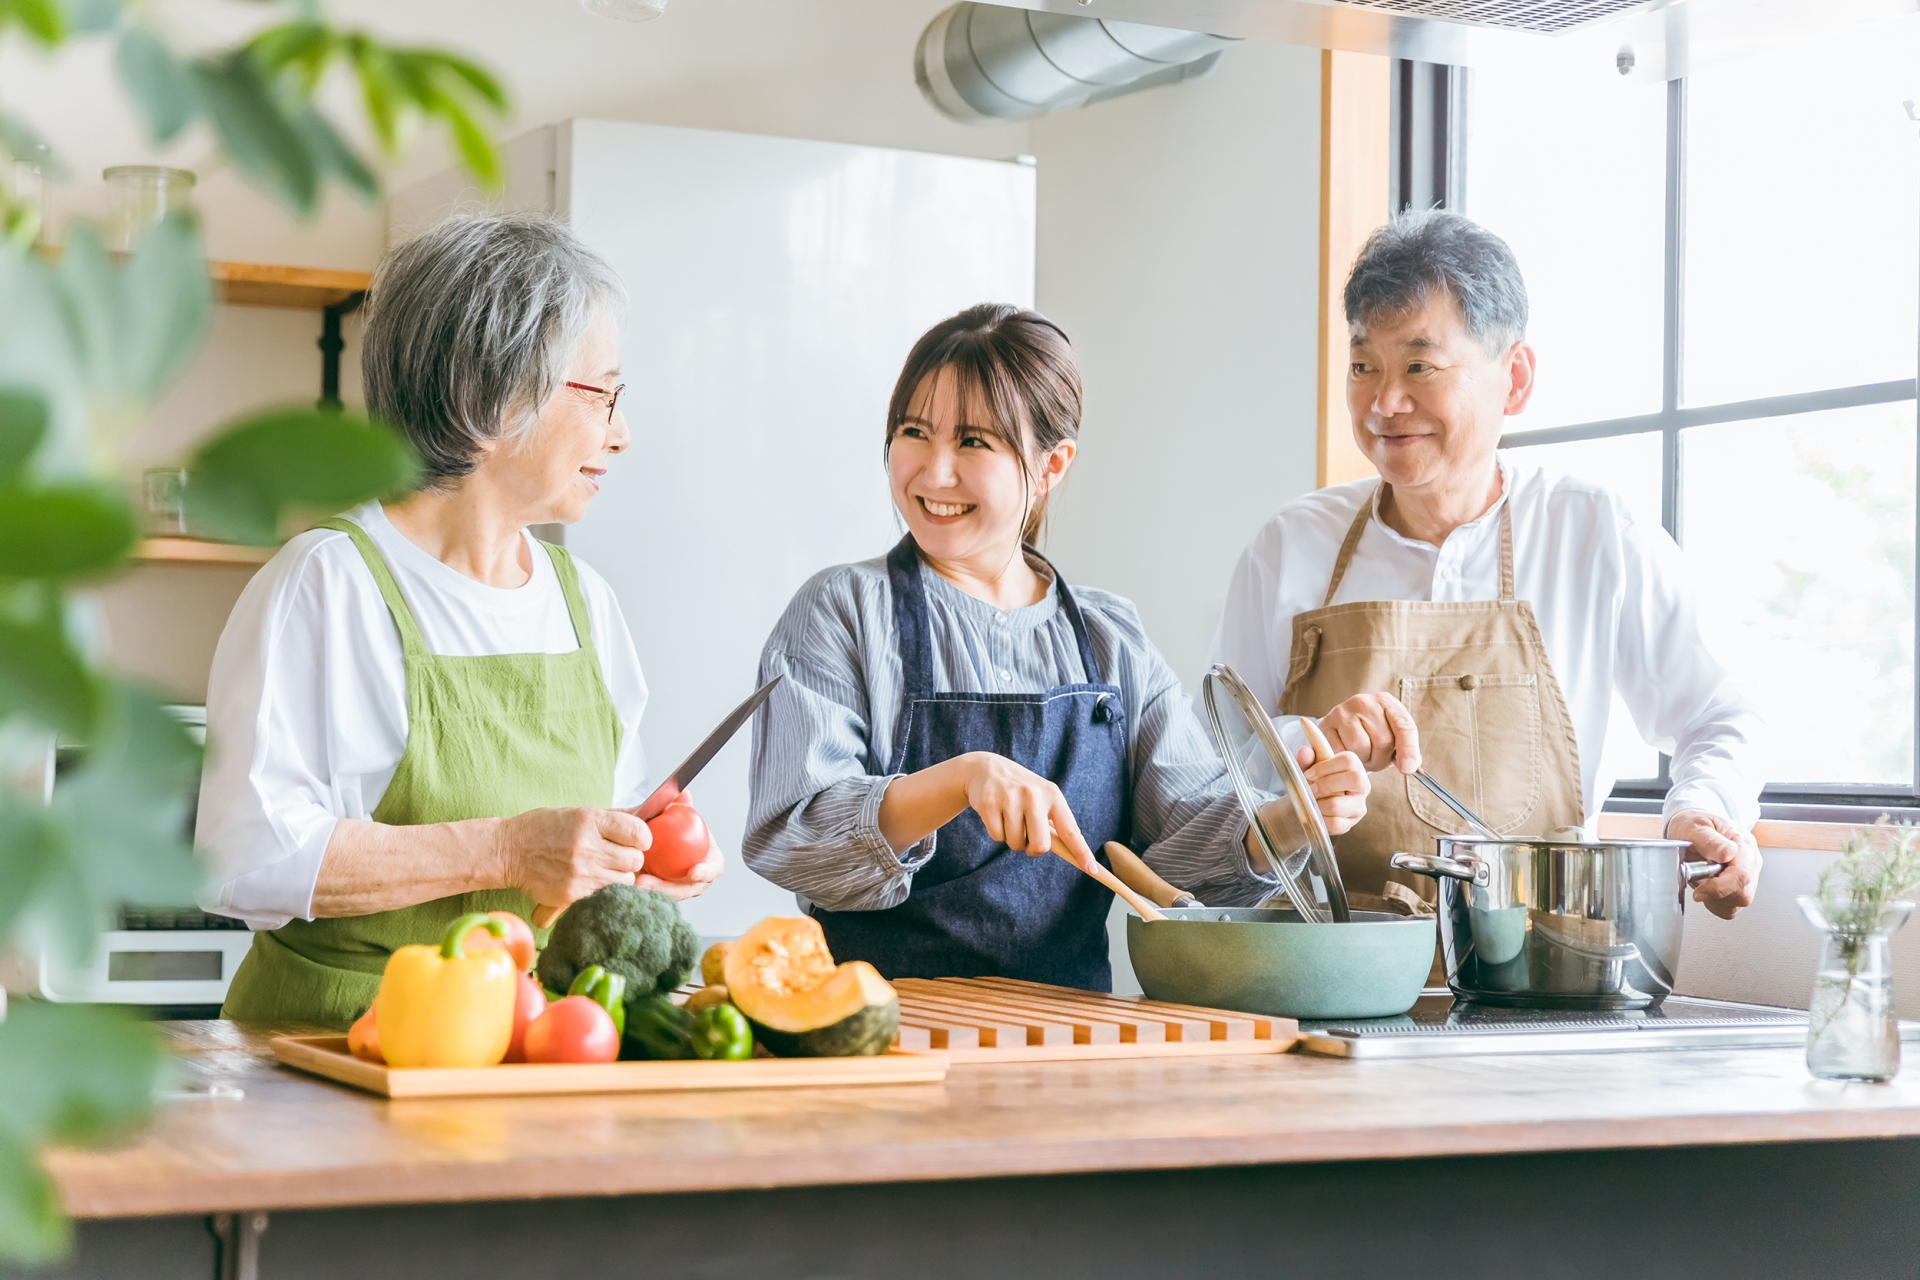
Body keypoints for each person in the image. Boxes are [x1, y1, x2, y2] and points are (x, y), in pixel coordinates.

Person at [743, 304, 1370, 991]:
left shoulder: (1108, 638)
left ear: (1051, 465)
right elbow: (794, 836)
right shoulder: (841, 612)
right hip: (878, 1035)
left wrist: (1282, 822)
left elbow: (1177, 860)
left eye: (975, 442)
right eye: (914, 432)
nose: (934, 471)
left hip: (1068, 1039)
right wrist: (960, 779)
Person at [201, 213, 721, 1027]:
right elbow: (245, 857)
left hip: (523, 1051)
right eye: (601, 396)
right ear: (486, 400)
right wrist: (508, 849)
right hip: (329, 1058)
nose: (622, 435)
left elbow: (601, 840)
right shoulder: (328, 584)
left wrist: (642, 857)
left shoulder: (587, 603)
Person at [1213, 209, 1762, 920]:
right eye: (1362, 366)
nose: (1384, 402)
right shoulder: (1288, 547)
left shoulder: (1594, 531)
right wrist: (1309, 747)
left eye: (1419, 366)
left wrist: (1700, 813)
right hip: (1333, 967)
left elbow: (1719, 711)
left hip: (1541, 964)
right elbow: (1218, 766)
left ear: (1516, 378)